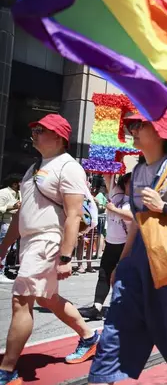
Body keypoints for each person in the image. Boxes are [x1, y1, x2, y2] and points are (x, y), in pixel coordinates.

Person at [88, 110, 167, 385]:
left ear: (159, 131)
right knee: (115, 333)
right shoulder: (138, 171)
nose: (132, 129)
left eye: (137, 124)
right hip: (137, 267)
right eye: (130, 124)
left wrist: (165, 206)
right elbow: (138, 221)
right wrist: (122, 263)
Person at [0, 114, 100, 385]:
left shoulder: (68, 167)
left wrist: (66, 257)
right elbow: (23, 214)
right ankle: (90, 337)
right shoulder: (33, 168)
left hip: (48, 242)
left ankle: (7, 371)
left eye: (41, 130)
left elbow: (73, 215)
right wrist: (3, 248)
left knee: (22, 299)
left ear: (59, 138)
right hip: (30, 242)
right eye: (35, 128)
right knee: (47, 299)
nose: (35, 133)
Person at [78, 173, 133, 321]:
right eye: (128, 182)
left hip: (126, 245)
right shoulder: (117, 194)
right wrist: (114, 161)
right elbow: (108, 176)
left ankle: (123, 308)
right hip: (111, 243)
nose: (131, 185)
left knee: (121, 278)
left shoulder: (138, 201)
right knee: (103, 274)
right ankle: (97, 307)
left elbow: (132, 217)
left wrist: (113, 209)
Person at [0, 174, 22, 284]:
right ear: (14, 184)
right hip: (6, 223)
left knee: (13, 249)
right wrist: (12, 207)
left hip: (17, 223)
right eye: (20, 183)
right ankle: (0, 272)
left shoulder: (19, 193)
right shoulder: (3, 193)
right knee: (4, 248)